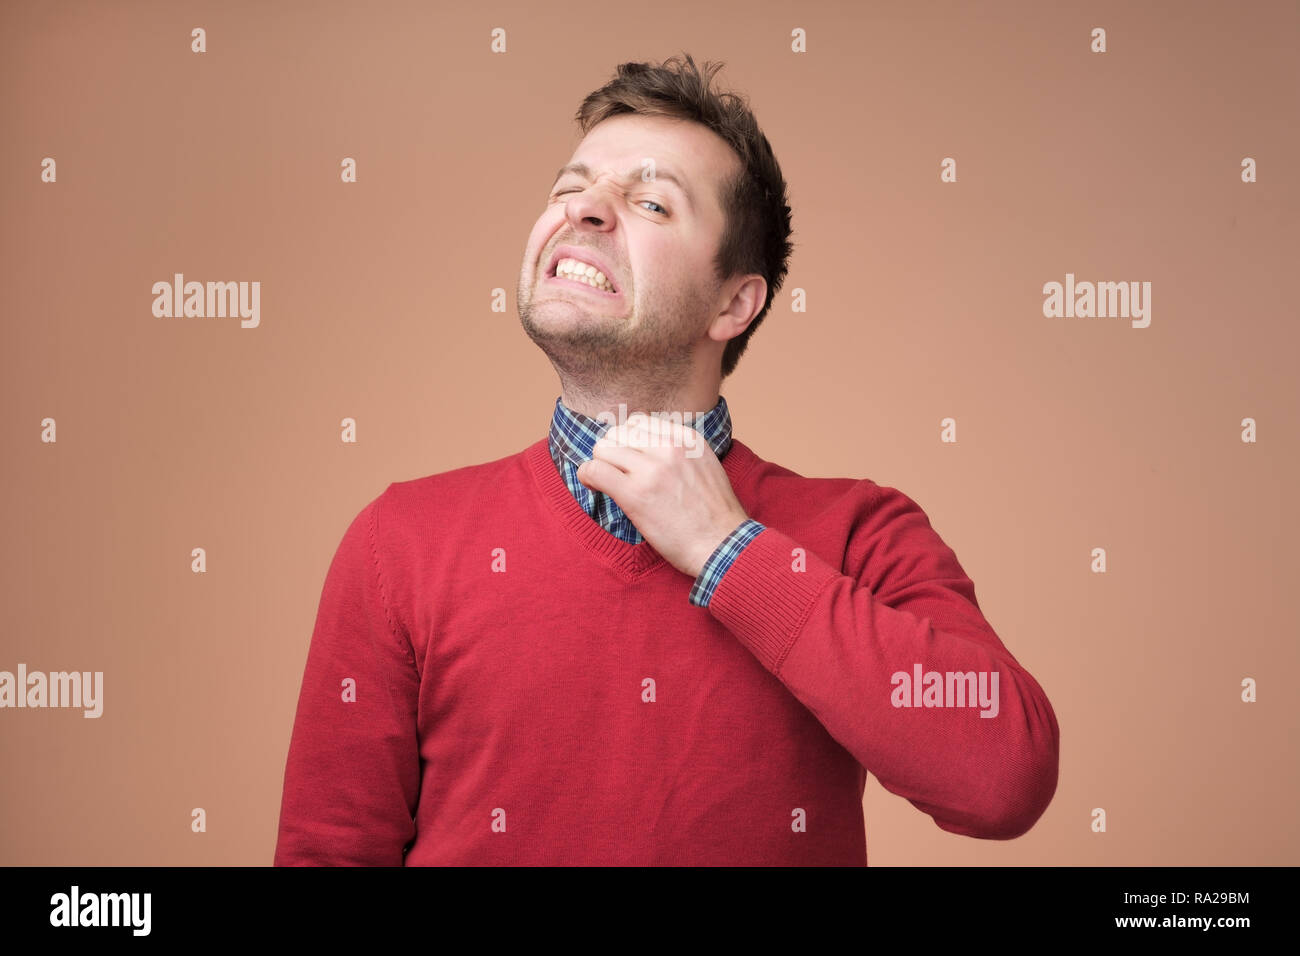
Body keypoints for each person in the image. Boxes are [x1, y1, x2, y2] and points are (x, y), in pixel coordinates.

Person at [273, 52, 1059, 866]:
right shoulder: (399, 540)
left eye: (649, 202)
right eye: (569, 188)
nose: (585, 211)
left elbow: (1005, 778)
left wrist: (730, 552)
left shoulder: (858, 533)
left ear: (735, 302)